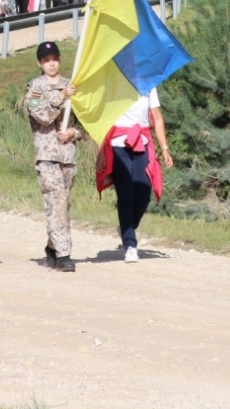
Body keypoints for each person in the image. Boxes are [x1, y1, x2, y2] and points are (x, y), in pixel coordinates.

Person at [95, 84, 174, 262]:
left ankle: (127, 226)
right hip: (117, 145)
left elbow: (157, 118)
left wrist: (165, 148)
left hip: (142, 142)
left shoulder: (149, 85)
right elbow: (104, 121)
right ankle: (130, 244)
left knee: (143, 193)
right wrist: (100, 153)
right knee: (126, 195)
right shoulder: (113, 82)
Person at [24, 41, 82, 271]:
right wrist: (61, 96)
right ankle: (64, 255)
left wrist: (73, 132)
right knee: (56, 201)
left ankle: (52, 246)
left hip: (68, 156)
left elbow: (83, 122)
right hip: (47, 156)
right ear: (40, 63)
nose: (51, 63)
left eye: (54, 59)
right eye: (46, 60)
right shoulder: (35, 88)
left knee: (62, 206)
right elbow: (42, 116)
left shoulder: (72, 86)